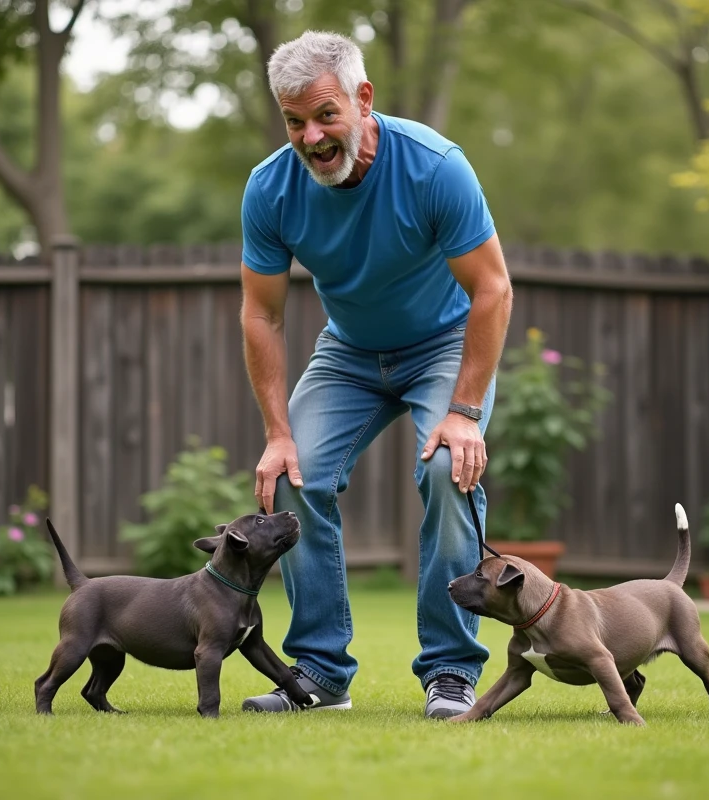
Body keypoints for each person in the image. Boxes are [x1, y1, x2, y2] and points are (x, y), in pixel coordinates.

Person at [236, 30, 512, 719]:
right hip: (351, 352)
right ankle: (321, 675)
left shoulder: (433, 167)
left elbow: (493, 290)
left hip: (443, 342)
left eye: (325, 115)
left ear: (363, 99)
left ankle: (450, 671)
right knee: (291, 474)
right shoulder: (271, 189)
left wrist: (465, 411)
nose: (311, 136)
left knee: (450, 470)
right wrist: (277, 431)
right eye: (294, 121)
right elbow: (261, 316)